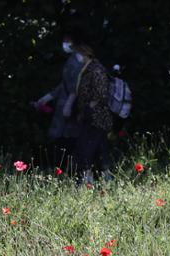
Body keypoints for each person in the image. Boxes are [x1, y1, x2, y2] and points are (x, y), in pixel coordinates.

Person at [34, 30, 84, 171]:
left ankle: (64, 171)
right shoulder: (73, 59)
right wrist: (46, 98)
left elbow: (75, 85)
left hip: (71, 109)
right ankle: (62, 170)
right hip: (66, 108)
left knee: (67, 141)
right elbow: (64, 84)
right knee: (63, 141)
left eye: (67, 40)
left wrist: (68, 104)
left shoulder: (78, 60)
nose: (65, 43)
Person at [73, 44, 113, 185]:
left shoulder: (96, 69)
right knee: (96, 150)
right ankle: (102, 180)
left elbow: (102, 93)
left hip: (97, 117)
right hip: (90, 116)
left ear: (85, 54)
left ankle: (87, 181)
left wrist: (91, 106)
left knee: (87, 149)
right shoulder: (88, 69)